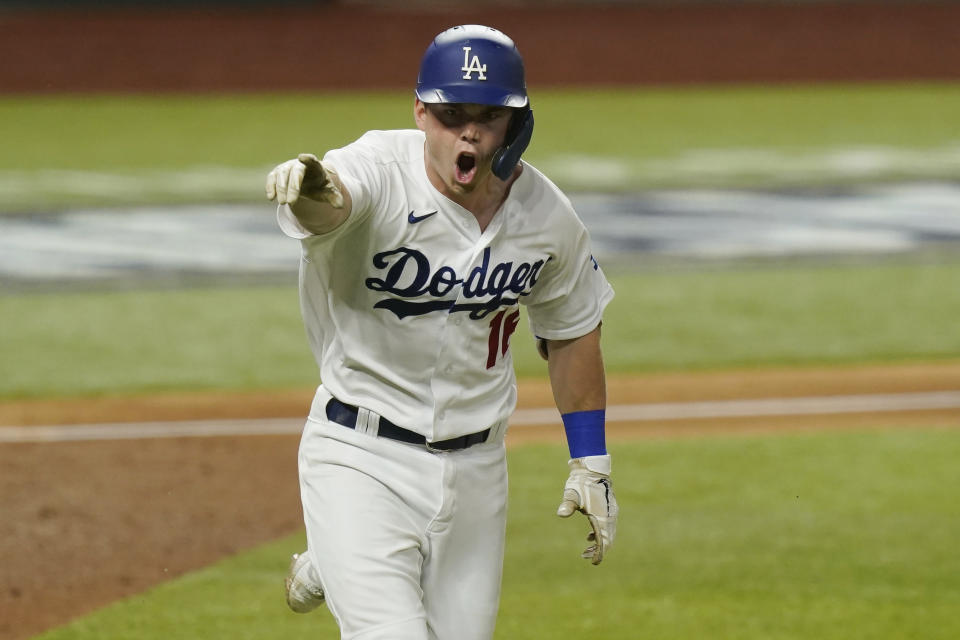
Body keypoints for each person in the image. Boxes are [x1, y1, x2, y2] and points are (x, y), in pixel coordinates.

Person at [265, 24, 619, 640]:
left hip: (477, 473)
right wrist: (309, 194)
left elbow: (572, 330)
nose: (470, 132)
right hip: (359, 454)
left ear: (518, 122)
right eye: (452, 114)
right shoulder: (375, 166)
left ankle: (334, 556)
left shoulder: (546, 217)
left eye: (489, 116)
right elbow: (334, 202)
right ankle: (347, 536)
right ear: (421, 112)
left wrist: (590, 460)